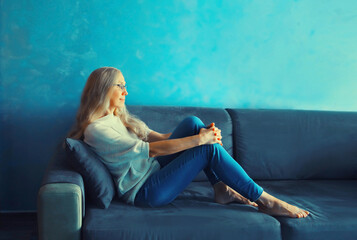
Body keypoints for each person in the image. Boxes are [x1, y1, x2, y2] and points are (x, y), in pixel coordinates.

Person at [68, 67, 310, 218]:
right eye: (120, 85)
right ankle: (265, 200)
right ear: (102, 89)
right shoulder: (97, 129)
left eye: (125, 86)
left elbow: (159, 138)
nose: (125, 92)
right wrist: (200, 141)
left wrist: (200, 133)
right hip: (145, 191)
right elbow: (152, 150)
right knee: (206, 150)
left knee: (193, 122)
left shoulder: (116, 117)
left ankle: (221, 189)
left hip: (152, 172)